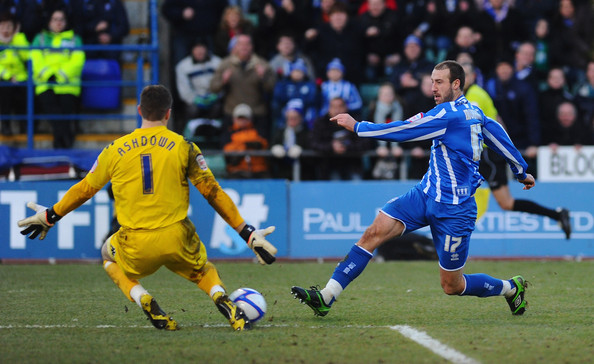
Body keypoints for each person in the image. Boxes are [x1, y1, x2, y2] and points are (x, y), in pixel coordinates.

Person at [17, 85, 278, 331]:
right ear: (169, 113)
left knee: (107, 255)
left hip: (134, 241)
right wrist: (247, 232)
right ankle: (221, 297)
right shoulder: (184, 146)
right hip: (177, 236)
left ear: (140, 111)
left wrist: (51, 215)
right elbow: (213, 192)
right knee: (203, 270)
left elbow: (86, 188)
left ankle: (143, 297)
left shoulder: (114, 149)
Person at [291, 61, 533, 318]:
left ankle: (510, 288)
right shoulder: (470, 111)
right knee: (373, 233)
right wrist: (521, 170)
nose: (433, 87)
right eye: (432, 81)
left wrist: (358, 126)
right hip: (425, 195)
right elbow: (495, 132)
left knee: (452, 285)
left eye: (439, 82)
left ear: (456, 84)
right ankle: (326, 296)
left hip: (455, 210)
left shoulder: (448, 115)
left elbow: (405, 131)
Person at [462, 62, 572, 239]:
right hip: (486, 154)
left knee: (464, 194)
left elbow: (469, 126)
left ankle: (445, 242)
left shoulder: (474, 95)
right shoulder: (477, 94)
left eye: (465, 74)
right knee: (506, 203)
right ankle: (557, 215)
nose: (461, 79)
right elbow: (498, 120)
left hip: (485, 155)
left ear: (474, 77)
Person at [30, 8, 85, 149]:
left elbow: (78, 60)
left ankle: (59, 142)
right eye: (55, 19)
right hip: (45, 83)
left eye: (61, 19)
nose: (58, 22)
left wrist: (60, 75)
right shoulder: (40, 38)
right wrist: (49, 75)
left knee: (63, 112)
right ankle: (66, 139)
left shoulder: (74, 38)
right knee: (54, 112)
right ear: (49, 22)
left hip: (68, 84)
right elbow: (35, 58)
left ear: (66, 21)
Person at [210, 33, 276, 140]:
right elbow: (213, 88)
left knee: (259, 147)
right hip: (232, 112)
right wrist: (223, 81)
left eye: (247, 44)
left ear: (252, 46)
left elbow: (271, 88)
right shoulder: (225, 64)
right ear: (235, 47)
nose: (244, 47)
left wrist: (263, 77)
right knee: (230, 149)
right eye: (241, 44)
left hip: (256, 112)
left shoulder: (263, 64)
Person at [175, 38, 222, 120]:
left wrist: (215, 96)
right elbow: (184, 90)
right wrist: (195, 99)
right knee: (192, 110)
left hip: (213, 98)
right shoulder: (183, 66)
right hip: (195, 100)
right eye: (196, 49)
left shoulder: (217, 62)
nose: (200, 52)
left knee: (217, 108)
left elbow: (222, 82)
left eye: (202, 48)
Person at [222, 103, 270, 179]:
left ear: (250, 119)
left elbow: (263, 144)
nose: (242, 121)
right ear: (234, 119)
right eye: (239, 118)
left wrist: (246, 145)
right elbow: (227, 149)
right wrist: (244, 146)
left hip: (258, 169)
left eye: (245, 118)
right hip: (237, 170)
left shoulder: (257, 131)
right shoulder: (229, 133)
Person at [0, 13, 29, 135]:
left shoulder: (19, 39)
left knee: (24, 91)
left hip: (20, 77)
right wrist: (8, 76)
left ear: (14, 28)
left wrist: (17, 39)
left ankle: (24, 126)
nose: (6, 30)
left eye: (9, 26)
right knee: (5, 91)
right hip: (3, 77)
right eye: (2, 26)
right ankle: (5, 126)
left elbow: (27, 56)